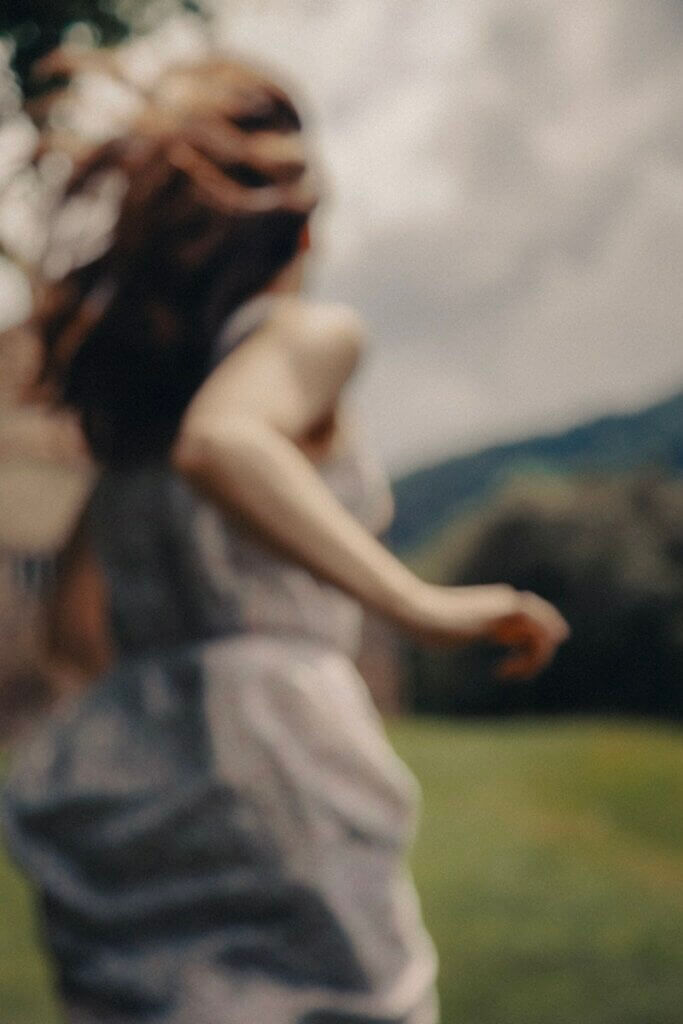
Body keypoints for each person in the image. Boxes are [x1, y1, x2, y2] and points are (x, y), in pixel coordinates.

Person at [1, 50, 569, 1024]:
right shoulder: (306, 337)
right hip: (278, 765)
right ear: (301, 232)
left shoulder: (128, 438)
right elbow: (222, 446)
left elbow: (69, 634)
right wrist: (422, 605)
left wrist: (162, 704)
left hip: (127, 775)